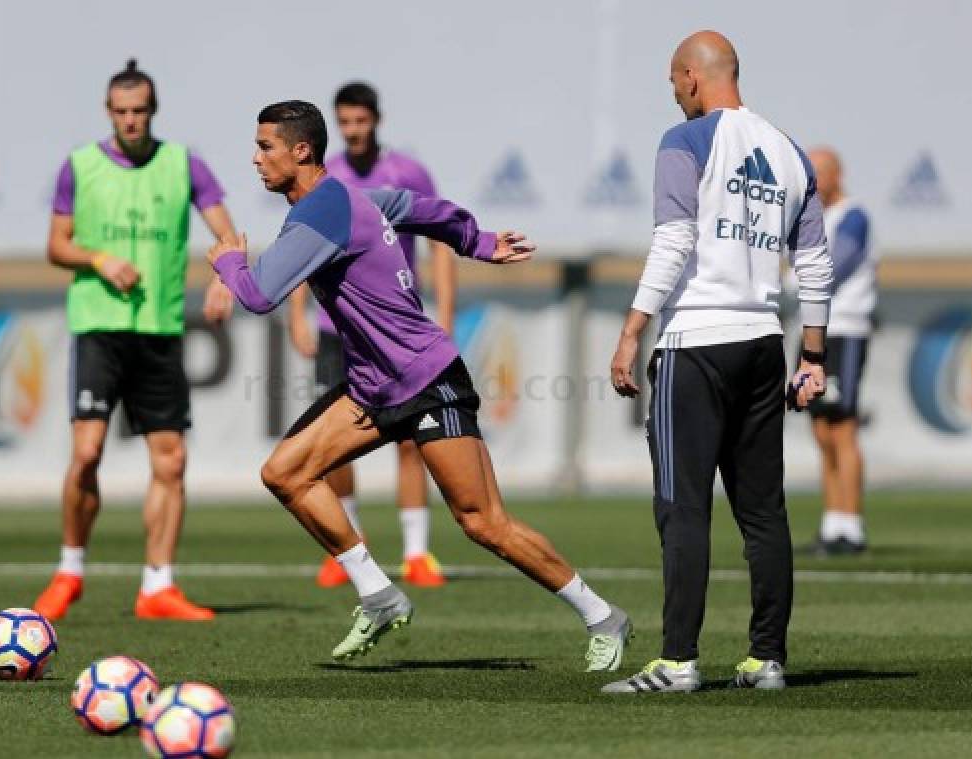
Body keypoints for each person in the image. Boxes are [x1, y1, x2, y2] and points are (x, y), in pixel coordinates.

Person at [209, 100, 632, 669]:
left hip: (427, 378)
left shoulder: (322, 211)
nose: (255, 158)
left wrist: (230, 261)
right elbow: (418, 208)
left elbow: (258, 294)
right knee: (285, 473)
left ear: (301, 150)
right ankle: (378, 595)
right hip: (372, 389)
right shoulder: (349, 199)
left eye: (265, 147)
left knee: (483, 523)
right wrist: (476, 241)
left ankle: (602, 615)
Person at [607, 31, 833, 693]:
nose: (674, 94)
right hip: (764, 344)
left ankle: (677, 662)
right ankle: (767, 659)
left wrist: (631, 331)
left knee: (683, 507)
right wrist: (812, 354)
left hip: (696, 344)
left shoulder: (685, 141)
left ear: (690, 76)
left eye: (674, 82)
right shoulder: (790, 153)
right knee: (763, 511)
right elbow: (815, 262)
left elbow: (675, 239)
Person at [33, 60, 237, 622]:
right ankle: (70, 571)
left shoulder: (184, 165)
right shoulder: (79, 166)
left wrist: (226, 275)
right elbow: (56, 245)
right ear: (108, 112)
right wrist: (99, 259)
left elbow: (229, 235)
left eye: (139, 110)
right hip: (99, 326)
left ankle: (158, 586)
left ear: (153, 110)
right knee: (87, 453)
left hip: (159, 329)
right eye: (121, 111)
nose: (130, 119)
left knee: (171, 461)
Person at [287, 82, 456, 589]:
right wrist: (298, 314)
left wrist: (445, 310)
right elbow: (301, 245)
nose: (354, 131)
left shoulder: (407, 172)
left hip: (396, 327)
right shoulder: (328, 176)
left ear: (376, 120)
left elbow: (440, 239)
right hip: (338, 326)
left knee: (412, 437)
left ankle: (416, 552)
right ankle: (349, 543)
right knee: (335, 443)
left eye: (361, 121)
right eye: (346, 123)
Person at [805, 147, 876, 556]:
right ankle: (833, 522)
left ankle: (852, 525)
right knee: (821, 429)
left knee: (843, 426)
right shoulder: (815, 218)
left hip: (844, 330)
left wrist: (798, 280)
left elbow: (837, 267)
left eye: (820, 174)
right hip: (815, 331)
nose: (813, 183)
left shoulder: (854, 216)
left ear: (838, 174)